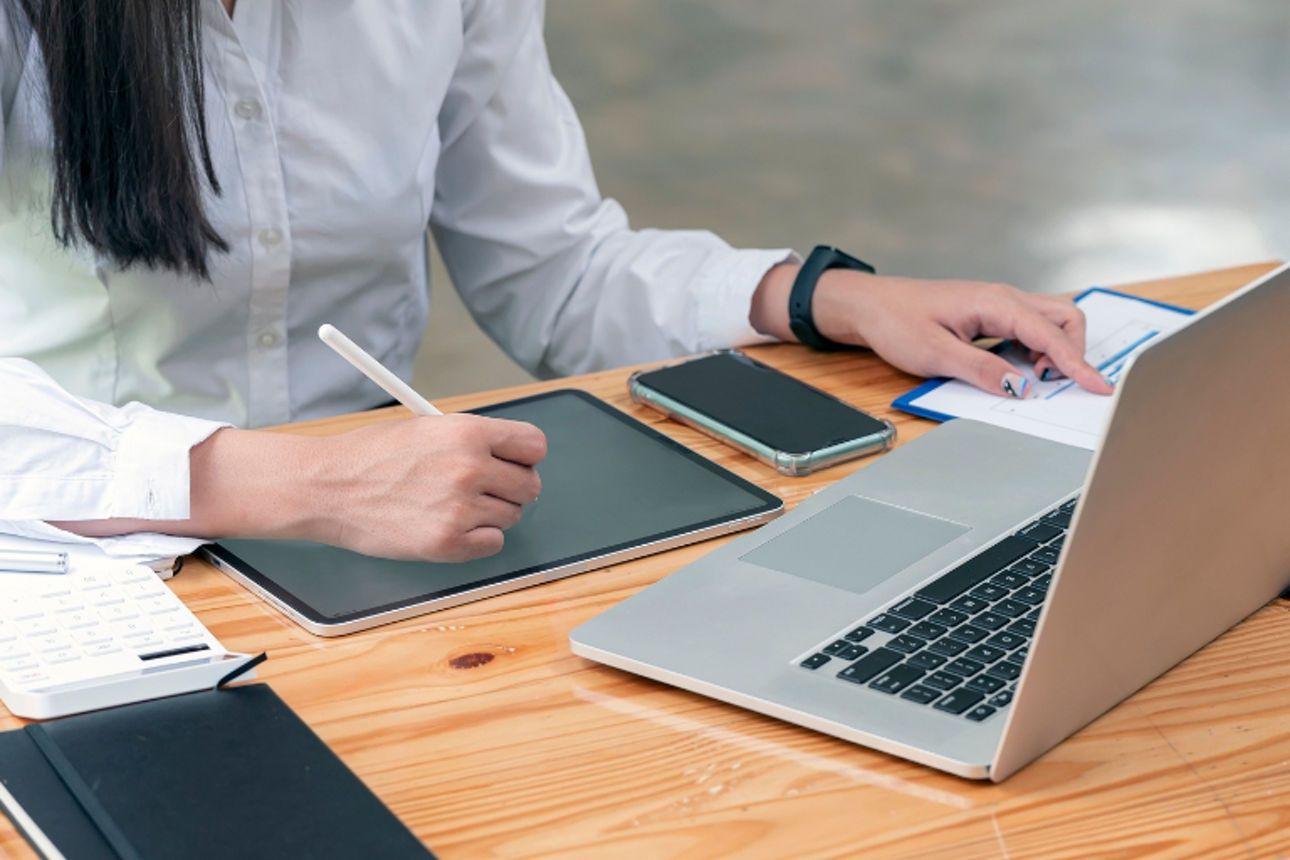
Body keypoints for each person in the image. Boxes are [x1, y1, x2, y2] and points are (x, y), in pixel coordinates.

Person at [0, 1, 1110, 563]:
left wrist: (816, 295)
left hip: (393, 545)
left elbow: (555, 269)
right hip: (68, 557)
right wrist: (294, 487)